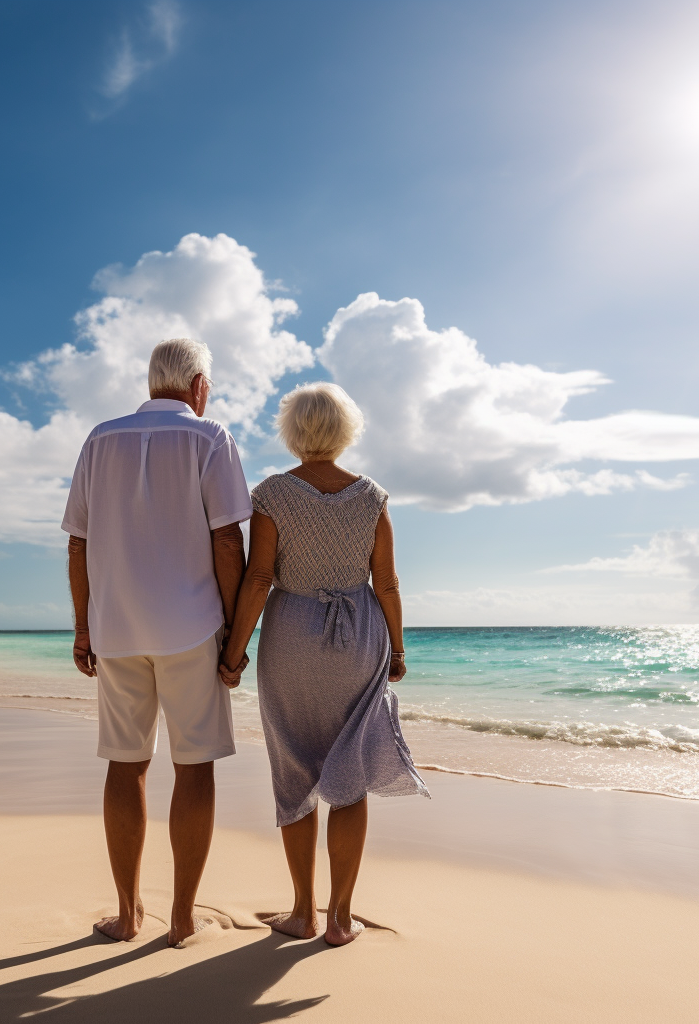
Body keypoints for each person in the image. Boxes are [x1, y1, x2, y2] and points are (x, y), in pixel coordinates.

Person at [219, 381, 429, 947]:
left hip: (291, 637)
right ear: (344, 430)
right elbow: (385, 582)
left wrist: (234, 652)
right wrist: (400, 650)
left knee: (294, 770)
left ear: (293, 432)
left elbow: (259, 579)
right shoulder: (371, 496)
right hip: (360, 636)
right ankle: (340, 917)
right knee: (349, 776)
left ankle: (301, 912)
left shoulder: (273, 495)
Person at [62, 339, 252, 947]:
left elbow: (78, 543)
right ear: (199, 384)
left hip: (117, 629)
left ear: (153, 383)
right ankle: (180, 919)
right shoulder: (210, 437)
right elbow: (228, 541)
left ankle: (126, 914)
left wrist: (84, 626)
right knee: (194, 769)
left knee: (126, 764)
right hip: (192, 627)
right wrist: (232, 633)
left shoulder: (99, 440)